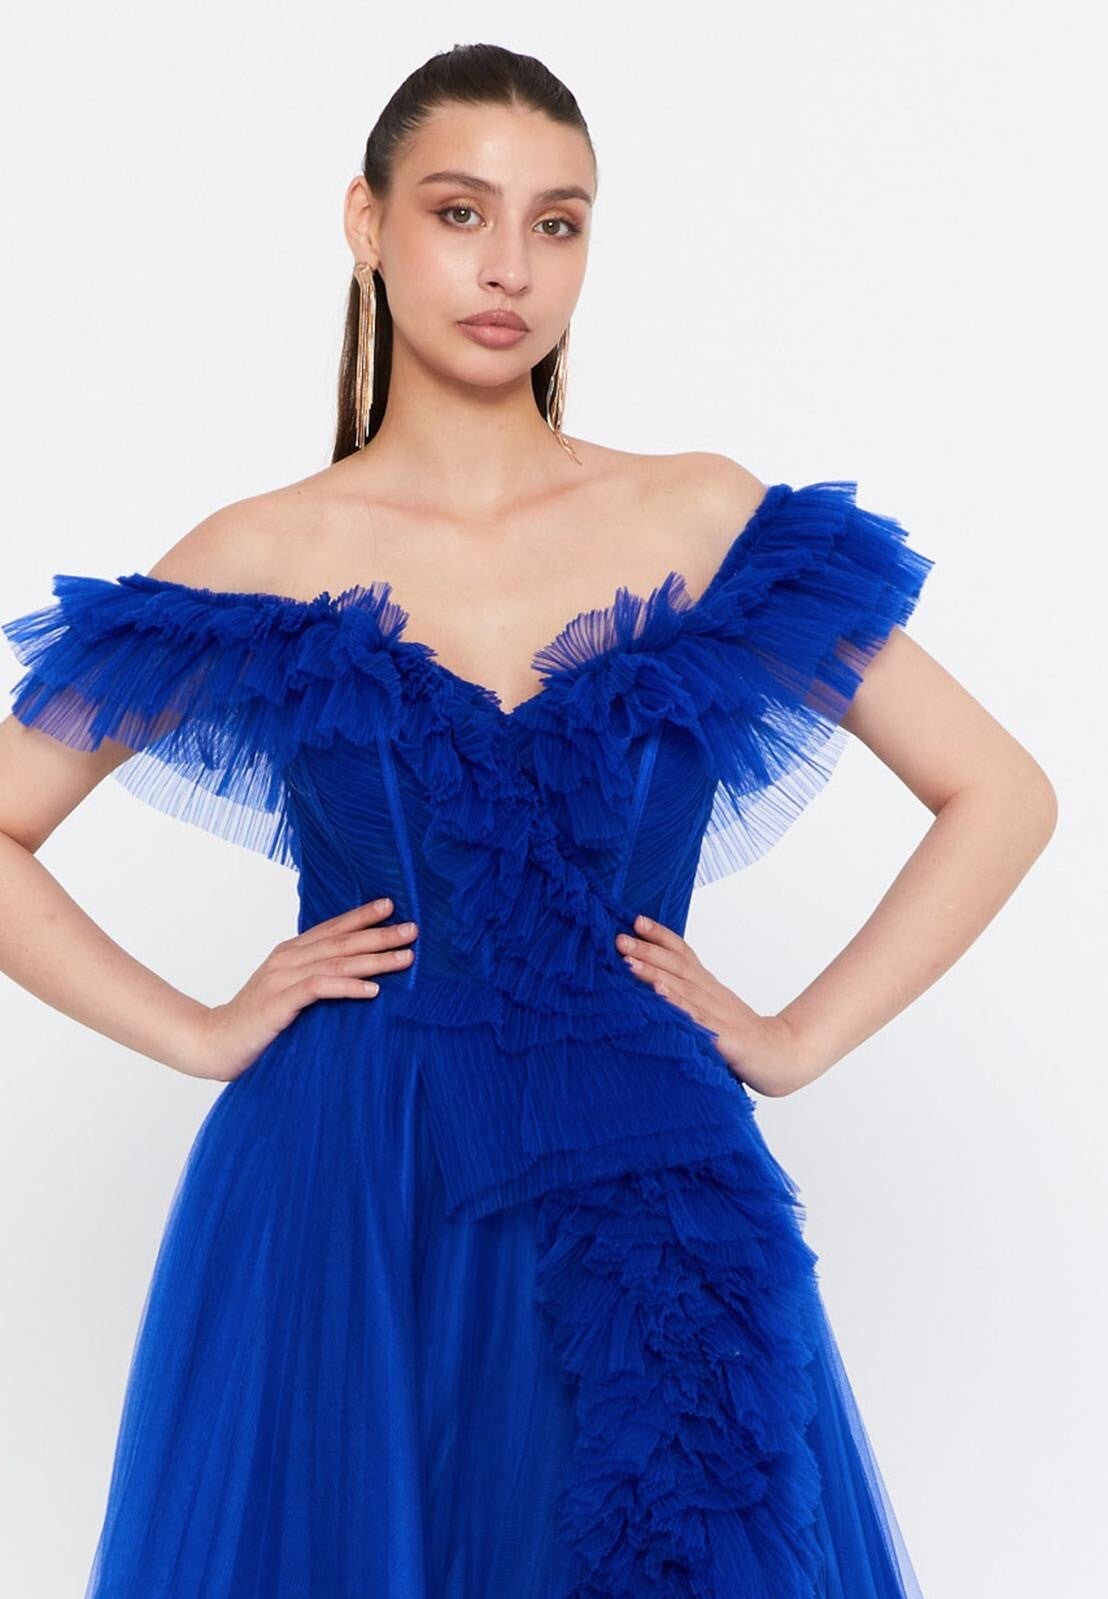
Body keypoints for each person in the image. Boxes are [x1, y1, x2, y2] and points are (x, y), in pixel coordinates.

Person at [0, 40, 1056, 1599]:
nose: (511, 268)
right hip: (350, 1189)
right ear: (366, 224)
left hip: (649, 1173)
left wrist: (795, 1038)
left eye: (557, 223)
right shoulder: (266, 549)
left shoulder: (698, 519)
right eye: (460, 212)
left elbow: (1002, 792)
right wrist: (201, 1030)